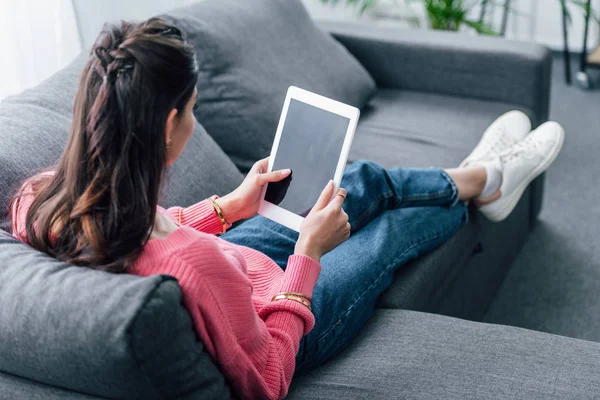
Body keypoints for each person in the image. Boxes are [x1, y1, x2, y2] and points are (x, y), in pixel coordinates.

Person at [9, 19, 565, 400]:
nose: (194, 124)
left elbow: (149, 237)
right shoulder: (192, 268)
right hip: (287, 319)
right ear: (167, 127)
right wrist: (308, 254)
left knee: (356, 180)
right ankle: (486, 182)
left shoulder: (41, 197)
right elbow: (269, 377)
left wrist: (228, 208)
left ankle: (482, 178)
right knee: (390, 228)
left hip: (235, 263)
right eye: (193, 112)